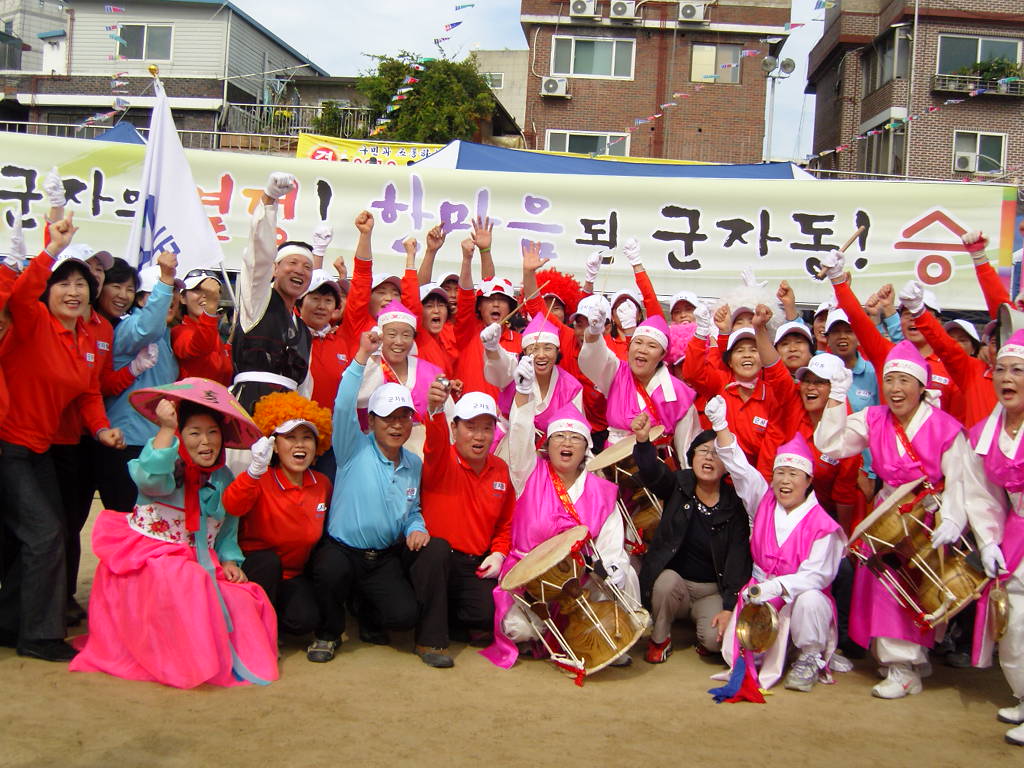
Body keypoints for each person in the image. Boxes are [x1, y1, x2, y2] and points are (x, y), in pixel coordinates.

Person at [814, 341, 999, 698]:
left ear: (920, 385)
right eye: (890, 380)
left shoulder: (945, 427)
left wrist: (954, 519)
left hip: (929, 514)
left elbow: (961, 481)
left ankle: (905, 668)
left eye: (904, 381)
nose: (896, 389)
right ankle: (902, 665)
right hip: (889, 515)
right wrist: (837, 395)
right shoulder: (874, 418)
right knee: (886, 590)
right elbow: (831, 444)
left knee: (917, 592)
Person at [70, 379, 277, 688]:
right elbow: (150, 481)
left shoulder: (222, 476)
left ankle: (225, 661)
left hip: (202, 559)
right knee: (187, 581)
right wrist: (166, 429)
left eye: (212, 432)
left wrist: (231, 561)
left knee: (245, 599)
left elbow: (227, 525)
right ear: (181, 436)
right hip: (150, 556)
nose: (205, 442)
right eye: (194, 433)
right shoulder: (166, 461)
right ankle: (188, 664)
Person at [0, 215, 125, 662]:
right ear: (48, 291)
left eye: (81, 285)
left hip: (40, 450)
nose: (73, 291)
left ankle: (12, 621)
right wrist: (52, 248)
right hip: (9, 446)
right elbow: (18, 294)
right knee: (45, 534)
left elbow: (90, 392)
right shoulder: (32, 323)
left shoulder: (83, 340)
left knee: (45, 535)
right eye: (63, 284)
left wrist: (101, 430)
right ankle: (39, 635)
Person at [481, 395, 638, 670]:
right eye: (559, 437)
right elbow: (519, 437)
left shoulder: (601, 491)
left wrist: (612, 568)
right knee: (517, 629)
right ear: (548, 444)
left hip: (581, 578)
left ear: (586, 447)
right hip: (532, 580)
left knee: (626, 573)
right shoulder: (527, 472)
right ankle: (551, 632)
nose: (566, 443)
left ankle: (616, 636)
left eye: (575, 438)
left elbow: (612, 544)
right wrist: (523, 393)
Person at [708, 396, 846, 693]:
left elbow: (816, 576)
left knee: (811, 598)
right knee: (733, 655)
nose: (785, 480)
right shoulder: (764, 500)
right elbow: (741, 470)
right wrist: (720, 426)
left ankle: (809, 656)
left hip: (796, 598)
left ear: (808, 480)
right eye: (780, 473)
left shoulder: (823, 525)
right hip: (761, 592)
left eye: (793, 474)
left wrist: (778, 588)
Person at [307, 330, 427, 663]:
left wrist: (416, 526)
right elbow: (344, 404)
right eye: (388, 418)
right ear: (372, 421)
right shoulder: (352, 447)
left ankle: (363, 608)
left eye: (404, 417)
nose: (397, 425)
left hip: (383, 558)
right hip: (342, 552)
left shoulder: (413, 463)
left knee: (404, 616)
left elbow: (412, 508)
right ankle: (328, 633)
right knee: (329, 571)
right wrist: (361, 356)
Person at [410, 388, 514, 668]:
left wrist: (500, 553)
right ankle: (430, 640)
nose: (479, 436)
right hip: (436, 561)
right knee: (437, 550)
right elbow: (434, 441)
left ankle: (446, 617)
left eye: (486, 428)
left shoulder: (500, 470)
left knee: (486, 615)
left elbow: (506, 523)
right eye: (470, 427)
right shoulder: (442, 460)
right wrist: (434, 410)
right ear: (454, 428)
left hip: (473, 564)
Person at [632, 418, 752, 663]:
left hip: (711, 591)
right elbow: (652, 472)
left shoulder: (735, 504)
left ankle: (702, 635)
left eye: (717, 454)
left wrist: (729, 607)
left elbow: (738, 559)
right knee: (665, 582)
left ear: (728, 465)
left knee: (715, 642)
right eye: (703, 451)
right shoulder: (679, 484)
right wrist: (643, 442)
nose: (708, 458)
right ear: (692, 456)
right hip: (677, 585)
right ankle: (660, 638)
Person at [223, 391, 333, 644]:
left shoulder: (322, 484)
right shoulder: (259, 478)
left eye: (307, 438)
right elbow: (232, 505)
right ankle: (255, 630)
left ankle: (273, 618)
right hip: (255, 568)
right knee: (268, 562)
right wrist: (253, 472)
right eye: (290, 438)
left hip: (292, 574)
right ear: (274, 444)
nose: (300, 445)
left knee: (305, 621)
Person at [966, 330, 1024, 745]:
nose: (1007, 377)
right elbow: (983, 496)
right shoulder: (986, 433)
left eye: (1018, 370)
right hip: (1016, 530)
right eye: (1001, 369)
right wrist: (987, 540)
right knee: (1012, 623)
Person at [100, 255, 182, 513]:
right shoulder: (129, 327)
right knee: (126, 523)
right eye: (157, 294)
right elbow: (148, 327)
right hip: (126, 443)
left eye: (175, 293)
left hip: (155, 445)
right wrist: (166, 279)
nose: (170, 300)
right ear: (140, 300)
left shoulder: (168, 335)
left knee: (149, 527)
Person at [230, 173, 314, 413]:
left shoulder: (303, 331)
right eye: (292, 263)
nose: (300, 271)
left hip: (287, 414)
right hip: (249, 405)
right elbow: (259, 256)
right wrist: (269, 202)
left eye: (307, 267)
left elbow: (304, 386)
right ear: (275, 269)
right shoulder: (258, 301)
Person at [578, 302, 699, 461]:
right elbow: (595, 358)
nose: (642, 349)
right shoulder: (617, 372)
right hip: (615, 461)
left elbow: (687, 446)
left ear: (663, 354)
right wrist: (593, 334)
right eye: (638, 342)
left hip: (657, 465)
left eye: (652, 345)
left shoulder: (678, 392)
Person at [355, 298, 449, 457]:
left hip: (423, 451)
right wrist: (372, 357)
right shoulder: (369, 367)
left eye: (406, 335)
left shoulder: (431, 372)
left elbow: (448, 416)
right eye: (391, 334)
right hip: (376, 450)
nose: (399, 342)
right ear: (380, 335)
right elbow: (358, 399)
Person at [482, 312, 584, 453]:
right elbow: (501, 364)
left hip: (549, 453)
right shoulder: (516, 370)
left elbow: (575, 429)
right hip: (508, 446)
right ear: (524, 351)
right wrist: (492, 349)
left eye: (548, 348)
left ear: (557, 350)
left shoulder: (571, 387)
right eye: (534, 349)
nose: (541, 355)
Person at [172, 268, 232, 385]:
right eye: (197, 290)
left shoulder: (212, 330)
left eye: (211, 292)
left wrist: (230, 344)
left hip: (217, 401)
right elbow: (199, 347)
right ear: (183, 298)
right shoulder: (179, 331)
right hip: (190, 402)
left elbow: (219, 365)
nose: (205, 295)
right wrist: (210, 310)